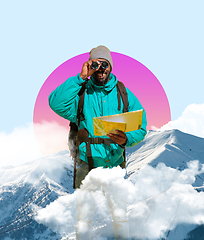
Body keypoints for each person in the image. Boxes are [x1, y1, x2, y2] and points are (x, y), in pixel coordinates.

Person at [49, 45, 147, 239]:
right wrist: (80, 78)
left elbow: (141, 127)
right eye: (96, 64)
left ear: (111, 67)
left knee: (120, 217)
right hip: (87, 164)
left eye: (105, 64)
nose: (101, 69)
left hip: (115, 163)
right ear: (90, 66)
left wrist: (127, 138)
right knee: (84, 219)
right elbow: (55, 102)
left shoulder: (123, 93)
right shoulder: (81, 95)